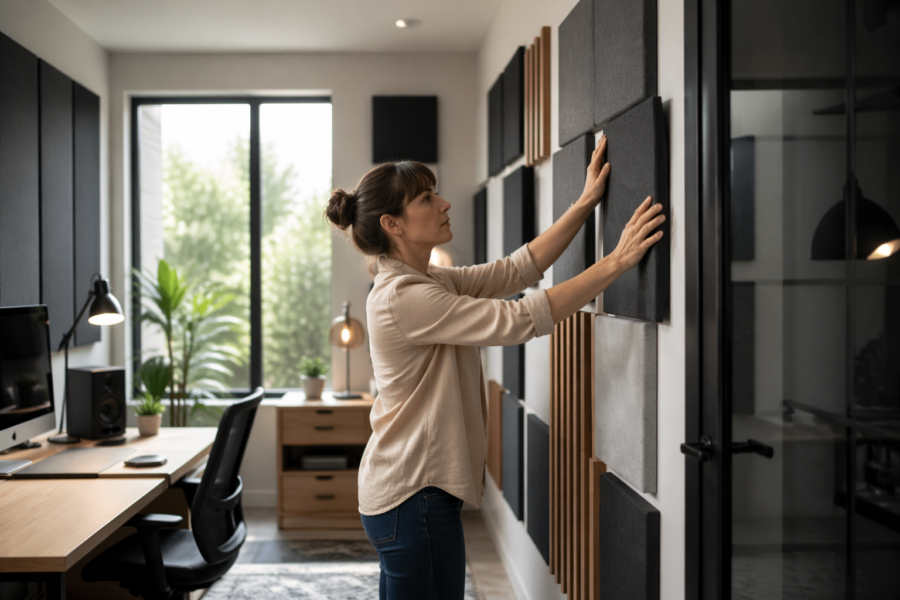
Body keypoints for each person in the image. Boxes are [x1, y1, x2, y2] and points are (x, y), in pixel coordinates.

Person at [324, 136, 664, 600]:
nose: (443, 203)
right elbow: (521, 318)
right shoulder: (403, 298)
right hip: (412, 498)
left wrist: (585, 203)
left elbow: (515, 271)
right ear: (392, 224)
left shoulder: (426, 280)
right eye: (426, 198)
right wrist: (618, 261)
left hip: (408, 496)